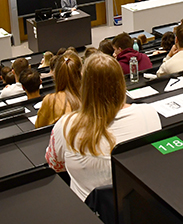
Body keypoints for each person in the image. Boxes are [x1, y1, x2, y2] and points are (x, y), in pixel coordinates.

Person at [45, 53, 161, 201]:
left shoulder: (65, 125)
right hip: (137, 207)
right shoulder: (148, 113)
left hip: (87, 212)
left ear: (85, 85)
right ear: (121, 82)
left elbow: (55, 165)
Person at [36, 52, 82, 128]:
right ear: (80, 74)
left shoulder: (51, 100)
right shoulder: (92, 96)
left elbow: (39, 127)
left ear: (55, 76)